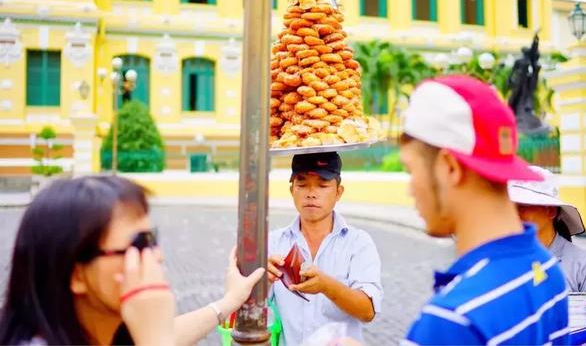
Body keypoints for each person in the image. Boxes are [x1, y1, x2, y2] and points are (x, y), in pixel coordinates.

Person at [399, 75, 569, 345]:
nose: (410, 188)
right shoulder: (546, 268)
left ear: (450, 167)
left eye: (410, 170)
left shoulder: (452, 320)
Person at [0, 176, 264, 346]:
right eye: (137, 245)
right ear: (76, 275)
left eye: (152, 240)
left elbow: (168, 333)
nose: (156, 256)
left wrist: (229, 302)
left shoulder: (99, 332)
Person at [267, 152, 382, 345]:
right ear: (292, 190)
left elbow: (367, 311)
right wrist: (262, 281)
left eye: (322, 184)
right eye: (302, 184)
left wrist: (326, 286)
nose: (311, 193)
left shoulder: (358, 243)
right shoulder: (273, 242)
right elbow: (250, 307)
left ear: (338, 192)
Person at [510, 166, 586, 345]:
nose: (515, 215)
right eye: (510, 207)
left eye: (523, 207)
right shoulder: (501, 264)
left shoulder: (585, 265)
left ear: (550, 211)